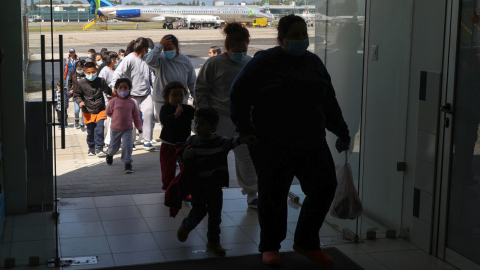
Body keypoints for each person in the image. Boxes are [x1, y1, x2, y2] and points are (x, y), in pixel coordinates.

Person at [230, 15, 350, 266]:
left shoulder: (313, 62)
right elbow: (238, 94)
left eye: (303, 34)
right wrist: (244, 128)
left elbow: (328, 101)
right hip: (272, 141)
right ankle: (270, 246)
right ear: (281, 39)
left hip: (311, 140)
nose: (301, 39)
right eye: (295, 35)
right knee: (273, 194)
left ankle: (306, 242)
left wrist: (341, 130)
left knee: (325, 187)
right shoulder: (265, 61)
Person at [195, 22, 258, 209]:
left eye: (244, 49)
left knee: (246, 157)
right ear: (227, 48)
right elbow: (201, 90)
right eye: (235, 50)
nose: (240, 53)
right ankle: (206, 191)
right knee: (211, 157)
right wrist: (207, 114)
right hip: (218, 118)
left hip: (243, 118)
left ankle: (252, 194)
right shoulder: (214, 63)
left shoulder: (250, 62)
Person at [175, 107, 244, 257]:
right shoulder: (191, 141)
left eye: (202, 124)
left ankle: (213, 241)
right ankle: (187, 226)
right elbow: (181, 160)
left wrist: (247, 136)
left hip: (215, 186)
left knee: (215, 215)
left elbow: (235, 141)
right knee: (198, 212)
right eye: (196, 123)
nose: (197, 127)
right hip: (197, 186)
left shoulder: (221, 142)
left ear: (213, 127)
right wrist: (185, 156)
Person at [111, 38, 156, 151]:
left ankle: (147, 141)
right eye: (147, 49)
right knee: (129, 119)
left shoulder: (146, 59)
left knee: (149, 114)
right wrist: (114, 88)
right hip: (132, 95)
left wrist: (155, 87)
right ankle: (130, 142)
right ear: (143, 49)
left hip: (146, 93)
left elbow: (151, 74)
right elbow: (118, 72)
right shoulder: (129, 59)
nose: (148, 51)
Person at [145, 34, 196, 125]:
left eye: (170, 48)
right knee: (166, 127)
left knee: (181, 127)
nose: (167, 51)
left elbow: (192, 81)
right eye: (165, 49)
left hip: (181, 100)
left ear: (176, 47)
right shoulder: (160, 58)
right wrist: (159, 46)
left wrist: (195, 98)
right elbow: (149, 61)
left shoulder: (185, 60)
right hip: (161, 101)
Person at [74, 62, 116, 157]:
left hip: (100, 109)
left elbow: (108, 91)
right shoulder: (81, 83)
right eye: (88, 73)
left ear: (96, 71)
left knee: (100, 129)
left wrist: (117, 95)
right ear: (84, 72)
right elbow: (76, 95)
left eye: (93, 72)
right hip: (87, 110)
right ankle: (91, 147)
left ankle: (99, 147)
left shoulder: (101, 81)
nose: (91, 75)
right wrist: (80, 102)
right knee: (90, 131)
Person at [159, 81, 195, 190]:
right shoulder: (165, 109)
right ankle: (168, 188)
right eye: (174, 95)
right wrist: (175, 114)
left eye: (181, 95)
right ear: (167, 97)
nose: (178, 98)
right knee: (168, 167)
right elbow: (164, 121)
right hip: (168, 143)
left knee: (185, 167)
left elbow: (198, 116)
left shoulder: (188, 109)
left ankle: (183, 189)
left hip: (184, 143)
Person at [105, 78, 142, 174]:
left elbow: (136, 116)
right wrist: (114, 117)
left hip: (128, 129)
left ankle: (127, 164)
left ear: (129, 89)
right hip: (115, 129)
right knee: (114, 147)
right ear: (116, 88)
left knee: (127, 147)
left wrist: (139, 127)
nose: (122, 89)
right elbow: (108, 112)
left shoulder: (131, 102)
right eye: (120, 87)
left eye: (125, 87)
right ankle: (109, 154)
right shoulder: (113, 101)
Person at [99, 52, 119, 146]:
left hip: (117, 100)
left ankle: (112, 140)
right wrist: (106, 102)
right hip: (108, 100)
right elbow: (101, 88)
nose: (118, 61)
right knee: (107, 122)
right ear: (112, 61)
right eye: (117, 59)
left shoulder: (118, 70)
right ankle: (105, 140)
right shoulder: (104, 71)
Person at [68, 61, 87, 131]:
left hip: (85, 95)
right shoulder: (73, 73)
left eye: (80, 69)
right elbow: (69, 81)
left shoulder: (86, 73)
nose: (79, 70)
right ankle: (76, 119)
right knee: (77, 110)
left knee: (83, 111)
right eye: (77, 69)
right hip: (76, 94)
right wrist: (70, 89)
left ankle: (82, 123)